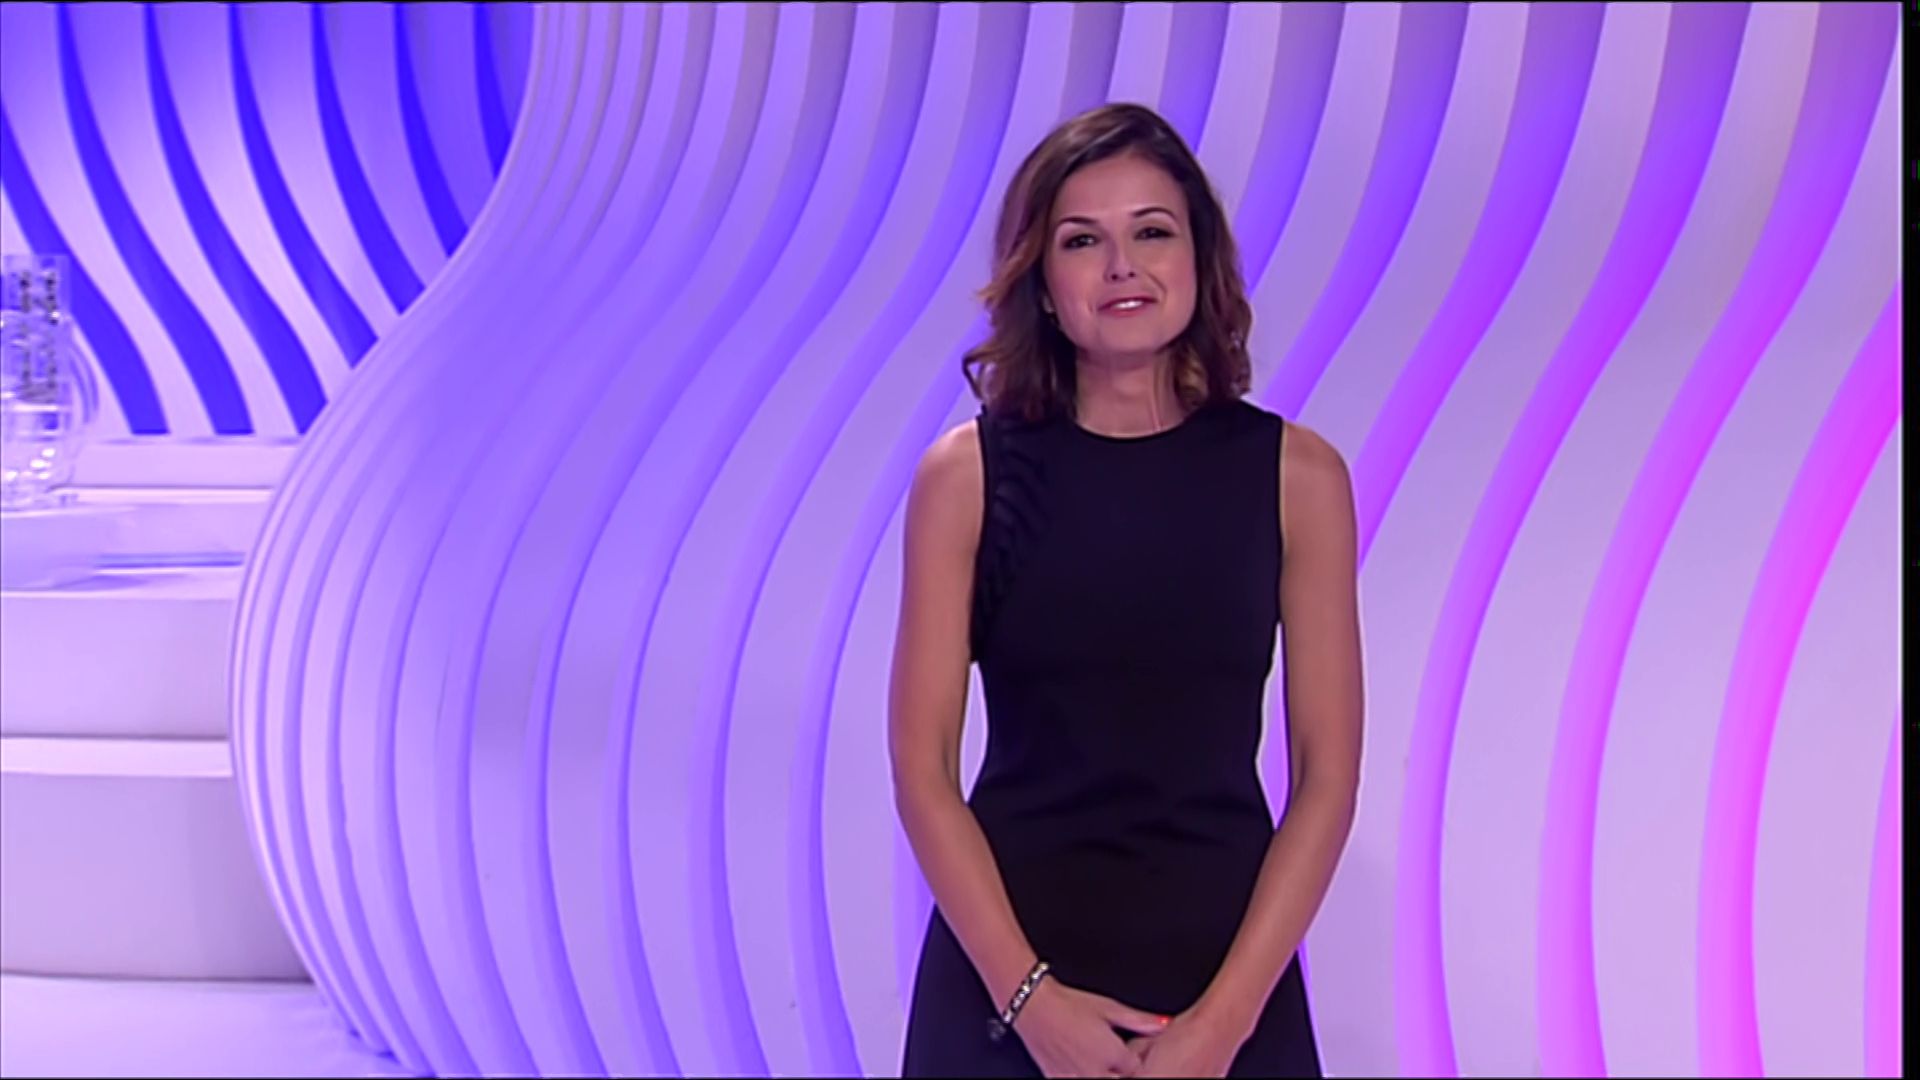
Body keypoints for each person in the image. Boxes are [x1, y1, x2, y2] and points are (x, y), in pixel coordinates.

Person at [888, 102, 1364, 1078]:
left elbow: (1326, 778)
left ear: (1199, 257)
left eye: (1152, 232)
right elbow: (922, 769)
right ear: (1041, 281)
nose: (1122, 267)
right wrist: (1031, 1005)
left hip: (1227, 987)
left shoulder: (1298, 478)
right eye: (1082, 241)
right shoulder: (967, 478)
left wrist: (1223, 1027)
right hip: (1007, 986)